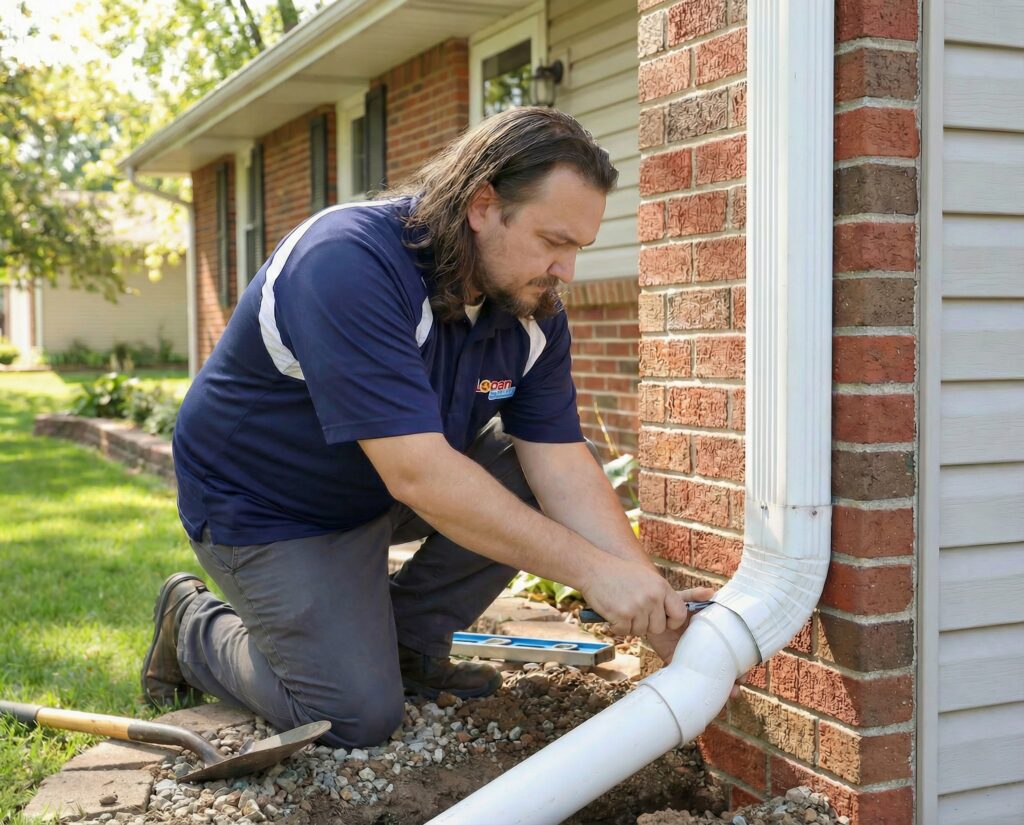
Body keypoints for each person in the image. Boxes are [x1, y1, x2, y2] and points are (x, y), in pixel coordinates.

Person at [142, 107, 710, 749]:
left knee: (522, 468)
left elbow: (560, 462)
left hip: (381, 487)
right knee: (353, 716)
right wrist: (593, 573)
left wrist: (653, 605)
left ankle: (407, 648)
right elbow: (420, 474)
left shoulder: (530, 309)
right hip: (269, 503)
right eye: (553, 242)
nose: (565, 272)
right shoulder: (345, 263)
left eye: (577, 249)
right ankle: (190, 626)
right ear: (482, 204)